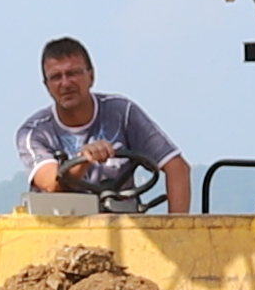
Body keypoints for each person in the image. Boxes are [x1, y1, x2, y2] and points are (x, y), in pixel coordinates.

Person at [15, 37, 191, 214]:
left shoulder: (122, 113)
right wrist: (83, 160)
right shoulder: (34, 133)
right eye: (56, 77)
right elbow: (51, 184)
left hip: (126, 225)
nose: (66, 83)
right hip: (63, 227)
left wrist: (176, 227)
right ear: (47, 85)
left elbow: (177, 168)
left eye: (73, 73)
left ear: (91, 76)